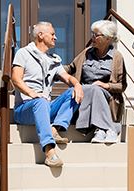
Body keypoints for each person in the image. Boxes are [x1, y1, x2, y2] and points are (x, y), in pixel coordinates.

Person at [12, 22, 83, 167]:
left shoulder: (54, 59)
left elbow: (68, 78)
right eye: (52, 34)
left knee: (73, 92)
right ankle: (49, 152)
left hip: (44, 106)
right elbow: (15, 79)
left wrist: (77, 85)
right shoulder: (23, 53)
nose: (55, 37)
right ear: (40, 35)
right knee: (41, 101)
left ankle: (55, 128)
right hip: (24, 109)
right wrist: (32, 93)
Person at [64, 20, 127, 143]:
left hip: (106, 95)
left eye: (96, 35)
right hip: (84, 93)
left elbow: (122, 85)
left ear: (108, 38)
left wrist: (106, 85)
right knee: (93, 89)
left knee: (96, 89)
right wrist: (52, 69)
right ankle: (108, 128)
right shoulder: (86, 53)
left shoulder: (117, 57)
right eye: (92, 33)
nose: (92, 37)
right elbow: (70, 68)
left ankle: (101, 129)